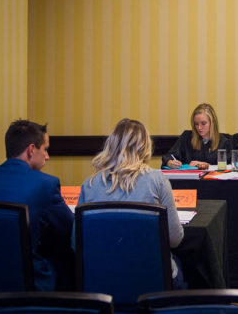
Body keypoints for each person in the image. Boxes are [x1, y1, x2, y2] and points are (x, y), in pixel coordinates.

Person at [77, 118, 185, 288]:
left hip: (101, 278)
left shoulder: (89, 185)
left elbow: (76, 242)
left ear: (111, 145)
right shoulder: (158, 180)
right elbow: (175, 239)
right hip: (151, 277)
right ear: (145, 146)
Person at [0, 120, 74, 291]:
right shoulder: (46, 184)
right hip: (29, 281)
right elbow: (70, 227)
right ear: (31, 150)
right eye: (45, 149)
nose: (47, 156)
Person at [162, 103, 232, 169]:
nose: (199, 128)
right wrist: (170, 162)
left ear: (212, 123)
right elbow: (169, 156)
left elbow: (229, 167)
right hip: (189, 180)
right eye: (196, 124)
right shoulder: (187, 137)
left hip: (213, 181)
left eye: (203, 123)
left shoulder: (224, 142)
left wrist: (207, 166)